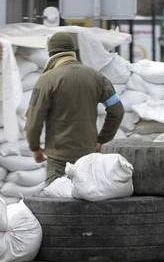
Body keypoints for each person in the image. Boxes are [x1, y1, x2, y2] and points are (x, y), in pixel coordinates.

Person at [26, 33, 124, 183]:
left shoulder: (46, 80)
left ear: (51, 53)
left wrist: (35, 148)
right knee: (88, 202)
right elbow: (117, 110)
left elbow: (34, 119)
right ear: (74, 50)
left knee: (58, 203)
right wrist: (102, 140)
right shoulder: (97, 77)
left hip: (58, 160)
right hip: (89, 157)